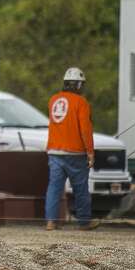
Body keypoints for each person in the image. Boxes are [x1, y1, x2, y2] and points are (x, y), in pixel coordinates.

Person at [45, 67, 100, 231]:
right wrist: (90, 152)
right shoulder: (81, 102)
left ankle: (50, 222)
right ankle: (84, 222)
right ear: (78, 85)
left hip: (54, 151)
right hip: (75, 153)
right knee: (81, 188)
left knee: (54, 187)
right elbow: (85, 129)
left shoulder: (53, 100)